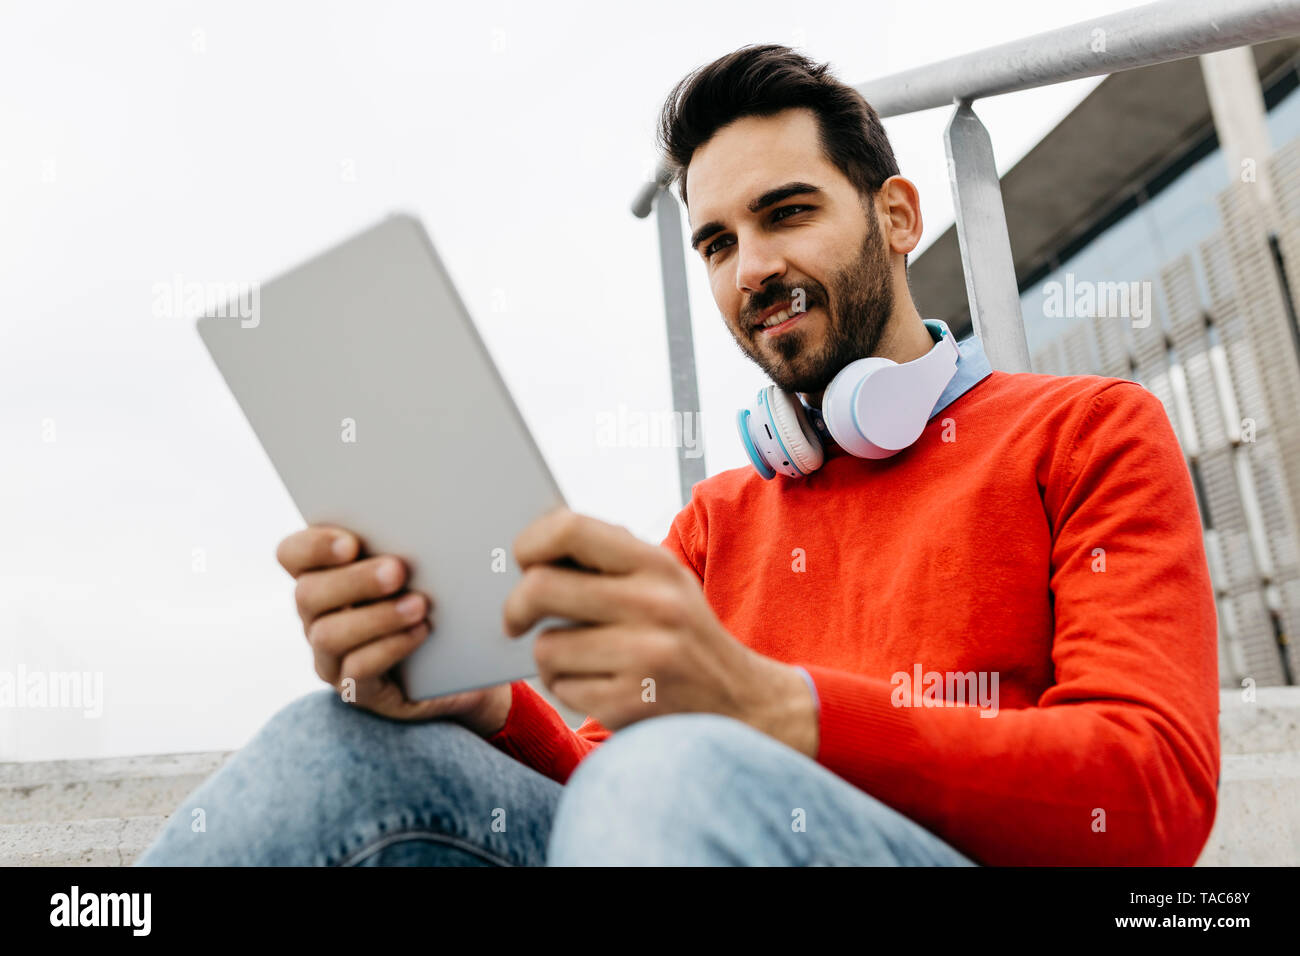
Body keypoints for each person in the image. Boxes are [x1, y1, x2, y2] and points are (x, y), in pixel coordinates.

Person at [138, 43, 1219, 867]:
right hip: (678, 824)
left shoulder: (1088, 428)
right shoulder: (718, 520)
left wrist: (768, 705)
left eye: (786, 212)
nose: (752, 266)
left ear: (895, 217)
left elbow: (1152, 790)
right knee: (328, 744)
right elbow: (603, 792)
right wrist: (488, 707)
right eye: (716, 241)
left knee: (677, 765)